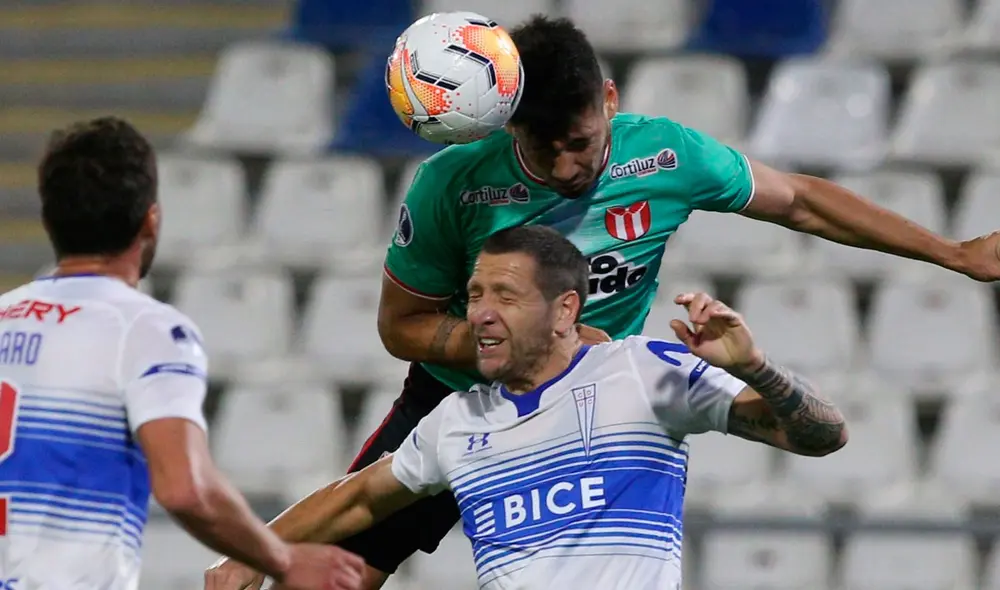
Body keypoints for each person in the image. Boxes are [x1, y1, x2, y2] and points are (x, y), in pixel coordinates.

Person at [319, 14, 1000, 590]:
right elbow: (401, 326)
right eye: (540, 148)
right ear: (507, 125)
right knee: (326, 571)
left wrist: (953, 252)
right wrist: (518, 338)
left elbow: (803, 202)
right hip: (456, 401)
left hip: (591, 406)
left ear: (609, 99)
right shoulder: (452, 184)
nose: (564, 168)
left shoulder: (664, 156)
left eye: (580, 145)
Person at [204, 225, 848, 589]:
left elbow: (822, 437)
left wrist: (756, 369)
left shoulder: (641, 371)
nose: (479, 312)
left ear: (565, 309)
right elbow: (358, 498)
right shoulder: (459, 420)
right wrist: (253, 554)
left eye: (504, 296)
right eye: (474, 293)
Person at [0, 117, 364, 590]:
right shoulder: (146, 330)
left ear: (49, 219)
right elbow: (185, 489)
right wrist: (285, 560)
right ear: (151, 220)